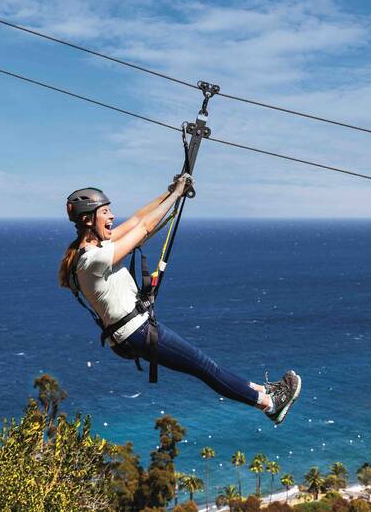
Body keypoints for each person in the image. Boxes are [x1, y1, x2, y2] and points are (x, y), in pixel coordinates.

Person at [58, 177, 301, 424]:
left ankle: (264, 391)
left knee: (205, 366)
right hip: (139, 332)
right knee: (206, 368)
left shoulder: (90, 250)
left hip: (134, 333)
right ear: (88, 220)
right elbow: (143, 229)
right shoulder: (93, 260)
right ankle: (269, 405)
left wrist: (170, 192)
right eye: (105, 212)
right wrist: (176, 196)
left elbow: (138, 220)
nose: (112, 216)